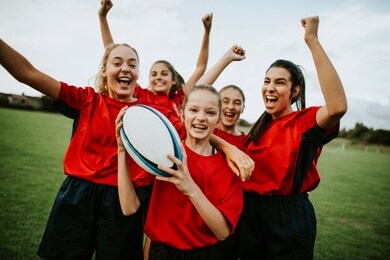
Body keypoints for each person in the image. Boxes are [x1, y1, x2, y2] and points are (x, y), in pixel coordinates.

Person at [0, 38, 253, 260]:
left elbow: (194, 119)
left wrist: (228, 148)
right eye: (118, 62)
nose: (125, 68)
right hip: (79, 195)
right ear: (104, 69)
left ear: (137, 74)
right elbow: (27, 73)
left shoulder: (150, 112)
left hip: (126, 201)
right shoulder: (88, 99)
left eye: (132, 64)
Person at [238, 16, 348, 259]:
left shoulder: (303, 123)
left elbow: (338, 106)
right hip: (250, 214)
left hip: (287, 217)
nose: (269, 88)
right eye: (266, 81)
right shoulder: (257, 129)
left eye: (279, 83)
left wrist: (312, 40)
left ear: (295, 91)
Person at [115, 84, 244, 260]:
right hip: (160, 253)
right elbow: (129, 208)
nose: (201, 118)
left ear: (219, 118)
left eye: (210, 112)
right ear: (182, 114)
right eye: (193, 110)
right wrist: (122, 150)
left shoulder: (228, 167)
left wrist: (190, 187)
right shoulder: (163, 154)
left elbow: (222, 232)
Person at [98, 0, 213, 117]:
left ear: (174, 80)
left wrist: (207, 32)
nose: (158, 77)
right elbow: (112, 53)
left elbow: (201, 68)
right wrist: (103, 17)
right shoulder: (142, 95)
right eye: (154, 74)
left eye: (164, 74)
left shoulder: (180, 99)